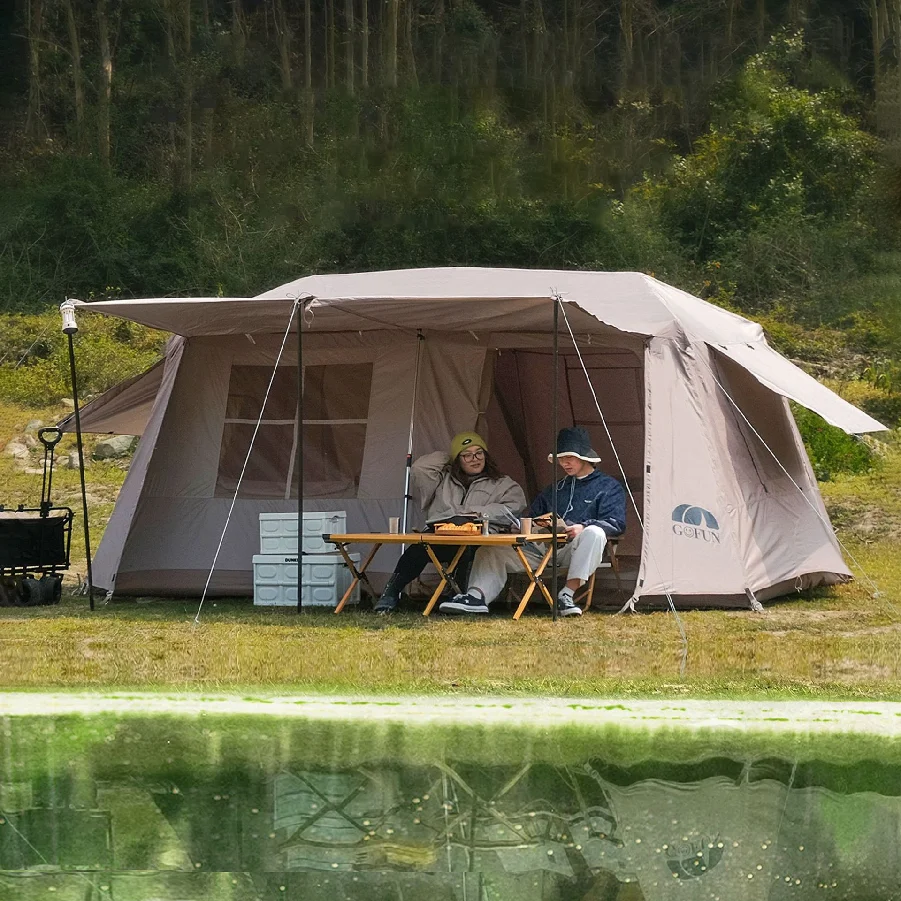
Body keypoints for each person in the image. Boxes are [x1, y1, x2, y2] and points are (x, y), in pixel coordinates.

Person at [439, 426, 626, 617]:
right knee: (490, 550)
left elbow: (616, 523)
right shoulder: (555, 488)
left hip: (576, 548)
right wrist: (520, 525)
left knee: (594, 532)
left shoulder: (608, 487)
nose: (564, 463)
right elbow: (533, 515)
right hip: (542, 549)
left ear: (585, 457)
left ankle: (566, 595)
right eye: (561, 459)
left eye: (569, 458)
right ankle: (476, 596)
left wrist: (583, 527)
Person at [374, 431, 527, 613]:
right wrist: (451, 454)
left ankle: (459, 597)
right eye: (467, 455)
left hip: (479, 538)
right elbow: (419, 468)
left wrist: (476, 513)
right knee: (418, 549)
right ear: (457, 459)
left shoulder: (501, 483)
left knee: (468, 551)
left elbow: (515, 505)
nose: (474, 459)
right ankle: (391, 593)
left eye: (479, 453)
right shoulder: (440, 480)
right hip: (442, 535)